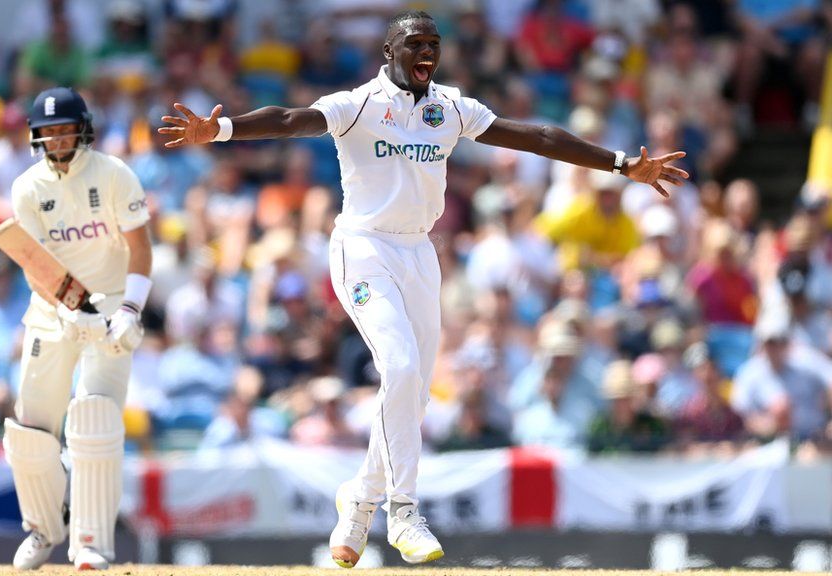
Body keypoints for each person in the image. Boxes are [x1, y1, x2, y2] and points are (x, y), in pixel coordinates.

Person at [158, 10, 687, 568]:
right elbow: (291, 119)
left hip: (418, 252)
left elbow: (537, 136)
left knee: (413, 389)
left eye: (433, 43)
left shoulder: (450, 107)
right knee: (401, 369)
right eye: (415, 44)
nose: (427, 52)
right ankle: (402, 508)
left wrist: (623, 163)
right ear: (390, 50)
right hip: (363, 248)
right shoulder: (358, 103)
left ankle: (359, 499)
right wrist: (218, 129)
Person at [3, 87, 152, 571]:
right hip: (50, 308)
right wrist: (67, 308)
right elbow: (32, 263)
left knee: (94, 415)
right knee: (30, 429)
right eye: (48, 131)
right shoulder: (27, 187)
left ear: (82, 128)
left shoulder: (112, 175)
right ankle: (42, 530)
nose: (58, 138)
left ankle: (89, 543)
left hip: (109, 302)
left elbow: (140, 248)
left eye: (65, 129)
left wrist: (129, 310)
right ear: (36, 136)